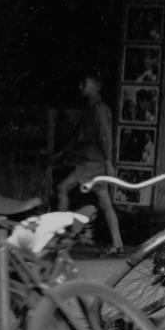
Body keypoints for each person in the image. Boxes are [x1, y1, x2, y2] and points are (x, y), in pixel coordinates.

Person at [53, 73, 124, 255]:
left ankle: (60, 234)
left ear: (94, 87)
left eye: (84, 83)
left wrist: (109, 162)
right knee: (103, 201)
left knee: (63, 189)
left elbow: (106, 137)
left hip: (94, 164)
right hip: (88, 163)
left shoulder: (99, 110)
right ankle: (117, 243)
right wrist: (61, 154)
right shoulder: (91, 109)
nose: (80, 87)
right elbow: (78, 139)